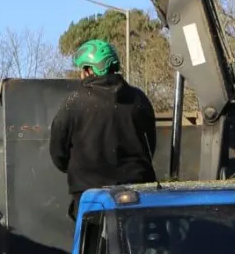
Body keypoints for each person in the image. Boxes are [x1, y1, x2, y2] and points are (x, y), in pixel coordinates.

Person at [49, 37, 157, 216]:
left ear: (89, 69)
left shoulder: (74, 103)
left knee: (95, 243)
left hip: (90, 197)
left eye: (82, 69)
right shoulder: (139, 100)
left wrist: (81, 171)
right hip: (138, 195)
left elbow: (58, 153)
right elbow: (149, 146)